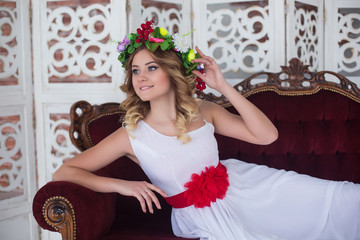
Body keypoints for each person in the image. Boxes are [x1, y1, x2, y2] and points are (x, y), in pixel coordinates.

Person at [53, 21, 360, 240]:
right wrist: (124, 186)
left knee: (345, 201)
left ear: (172, 73)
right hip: (200, 215)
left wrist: (222, 86)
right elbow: (65, 172)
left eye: (151, 68)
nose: (141, 78)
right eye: (135, 70)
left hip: (248, 188)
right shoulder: (131, 134)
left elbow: (267, 136)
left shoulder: (204, 110)